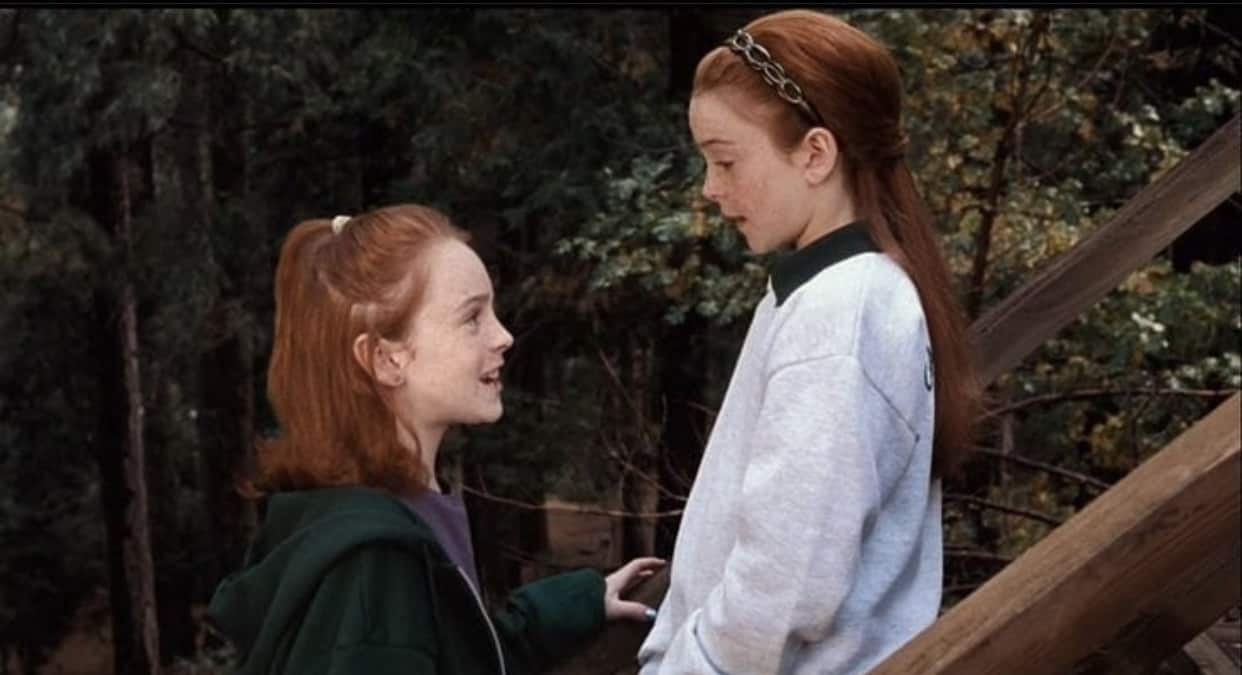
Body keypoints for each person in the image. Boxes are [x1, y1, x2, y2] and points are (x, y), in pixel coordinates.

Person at [637, 9, 981, 674]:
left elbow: (787, 578)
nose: (711, 188)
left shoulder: (841, 310)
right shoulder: (827, 290)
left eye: (726, 160)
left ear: (816, 154)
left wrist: (693, 664)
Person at [207, 204, 665, 674]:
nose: (504, 336)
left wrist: (572, 605)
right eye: (472, 318)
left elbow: (460, 659)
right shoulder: (373, 567)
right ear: (385, 360)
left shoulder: (399, 516)